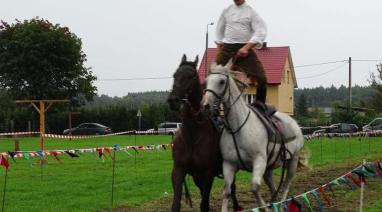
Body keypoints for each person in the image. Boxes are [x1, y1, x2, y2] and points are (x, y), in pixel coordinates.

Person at [215, 0, 268, 108]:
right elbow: (219, 31)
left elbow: (261, 31)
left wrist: (247, 47)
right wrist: (220, 48)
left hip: (245, 49)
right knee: (212, 75)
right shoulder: (226, 11)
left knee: (262, 78)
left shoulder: (251, 12)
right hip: (227, 48)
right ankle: (211, 105)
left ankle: (260, 106)